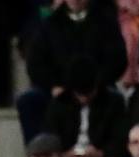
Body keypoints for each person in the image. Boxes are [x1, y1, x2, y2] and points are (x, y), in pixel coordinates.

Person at [19, 0, 126, 144]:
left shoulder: (105, 22)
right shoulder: (50, 24)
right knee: (28, 101)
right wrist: (53, 85)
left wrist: (95, 86)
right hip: (59, 88)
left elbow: (118, 60)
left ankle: (108, 152)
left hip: (97, 88)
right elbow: (35, 65)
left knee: (116, 99)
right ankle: (40, 154)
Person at [43, 56, 129, 157]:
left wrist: (101, 153)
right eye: (80, 94)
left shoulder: (113, 102)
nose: (84, 98)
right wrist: (63, 156)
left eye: (89, 93)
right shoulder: (59, 104)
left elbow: (121, 138)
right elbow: (50, 136)